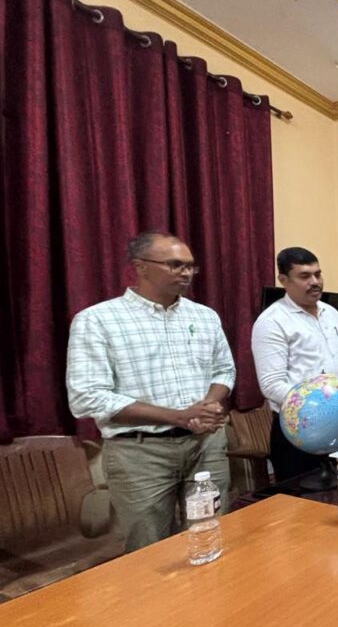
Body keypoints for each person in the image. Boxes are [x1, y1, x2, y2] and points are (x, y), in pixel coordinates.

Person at [67, 231, 235, 553]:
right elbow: (87, 396)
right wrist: (178, 416)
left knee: (210, 536)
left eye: (190, 266)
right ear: (140, 266)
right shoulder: (98, 320)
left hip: (206, 445)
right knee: (151, 551)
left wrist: (208, 406)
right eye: (174, 265)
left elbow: (224, 370)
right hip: (140, 453)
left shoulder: (205, 316)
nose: (186, 273)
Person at [251, 247, 338, 482]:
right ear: (283, 280)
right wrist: (320, 408)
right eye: (304, 276)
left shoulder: (332, 313)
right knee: (301, 500)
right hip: (299, 430)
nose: (315, 282)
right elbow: (271, 384)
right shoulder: (272, 321)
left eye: (318, 274)